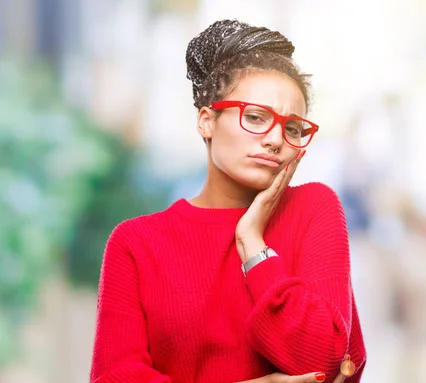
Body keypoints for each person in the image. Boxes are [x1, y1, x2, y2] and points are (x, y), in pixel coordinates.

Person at [90, 19, 366, 383]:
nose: (275, 140)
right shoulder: (136, 243)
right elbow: (116, 377)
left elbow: (324, 361)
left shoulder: (314, 208)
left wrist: (253, 244)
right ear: (207, 121)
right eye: (255, 117)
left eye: (292, 128)